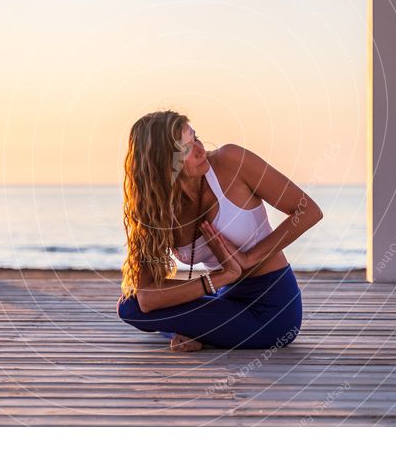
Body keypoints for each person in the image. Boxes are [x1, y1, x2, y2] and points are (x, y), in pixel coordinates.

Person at [117, 109, 324, 352]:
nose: (200, 149)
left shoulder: (231, 162)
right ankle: (203, 331)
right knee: (130, 306)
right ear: (164, 165)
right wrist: (223, 277)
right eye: (186, 149)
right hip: (222, 297)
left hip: (270, 310)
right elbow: (146, 298)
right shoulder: (155, 210)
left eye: (195, 137)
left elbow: (308, 210)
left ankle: (195, 332)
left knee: (140, 309)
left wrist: (247, 259)